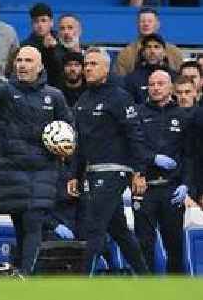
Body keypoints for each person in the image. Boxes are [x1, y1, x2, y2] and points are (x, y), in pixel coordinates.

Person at [0, 46, 73, 275]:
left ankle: (26, 273)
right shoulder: (6, 92)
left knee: (34, 221)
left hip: (42, 172)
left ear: (40, 66)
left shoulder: (54, 96)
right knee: (21, 226)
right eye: (20, 60)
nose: (22, 65)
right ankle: (22, 271)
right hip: (11, 172)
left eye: (28, 61)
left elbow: (69, 131)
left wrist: (66, 148)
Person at [68, 47, 149, 275]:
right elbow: (79, 142)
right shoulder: (83, 100)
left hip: (115, 171)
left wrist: (139, 171)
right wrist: (75, 173)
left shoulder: (120, 97)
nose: (88, 68)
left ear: (106, 68)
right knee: (119, 231)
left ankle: (82, 284)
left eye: (94, 64)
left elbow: (135, 134)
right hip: (92, 173)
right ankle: (148, 279)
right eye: (86, 64)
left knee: (93, 227)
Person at [133, 70, 194, 273]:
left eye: (161, 83)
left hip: (172, 190)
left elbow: (189, 155)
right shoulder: (138, 113)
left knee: (175, 246)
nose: (156, 88)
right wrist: (151, 160)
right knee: (144, 245)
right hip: (145, 188)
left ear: (170, 88)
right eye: (152, 84)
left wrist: (186, 184)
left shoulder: (183, 116)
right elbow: (132, 146)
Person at [115, 8, 183, 76]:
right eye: (142, 21)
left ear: (158, 24)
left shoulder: (174, 52)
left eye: (150, 21)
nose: (146, 24)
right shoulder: (125, 53)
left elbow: (180, 79)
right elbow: (121, 80)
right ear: (137, 24)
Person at [123, 33, 177, 104]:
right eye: (148, 47)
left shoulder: (175, 77)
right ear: (143, 52)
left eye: (156, 47)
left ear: (164, 53)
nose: (152, 51)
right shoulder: (132, 79)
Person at [21, 3, 63, 87]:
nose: (40, 25)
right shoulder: (26, 46)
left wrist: (54, 48)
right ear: (32, 24)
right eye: (36, 21)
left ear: (51, 22)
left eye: (44, 20)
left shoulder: (61, 40)